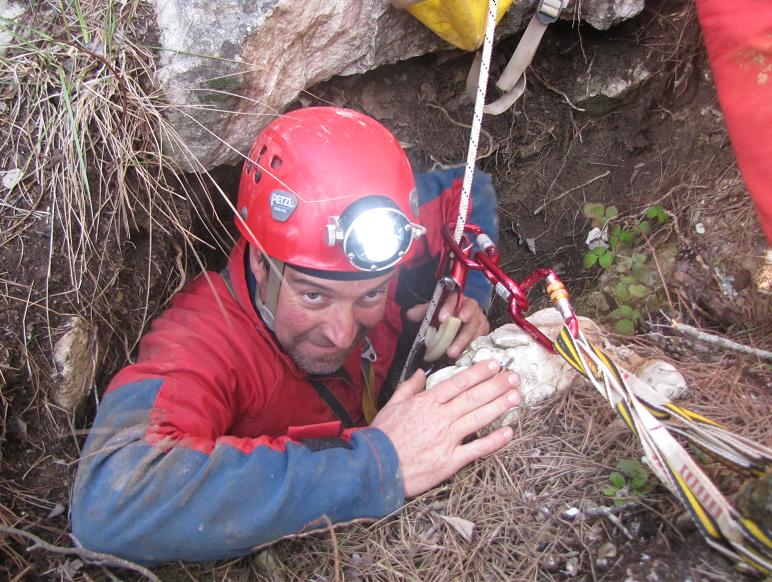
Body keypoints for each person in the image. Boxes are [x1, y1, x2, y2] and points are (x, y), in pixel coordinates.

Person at [71, 107, 521, 564]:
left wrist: (466, 294)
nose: (342, 332)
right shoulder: (204, 340)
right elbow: (111, 504)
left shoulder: (384, 230)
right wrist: (378, 463)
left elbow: (468, 192)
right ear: (260, 260)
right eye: (313, 297)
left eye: (370, 295)